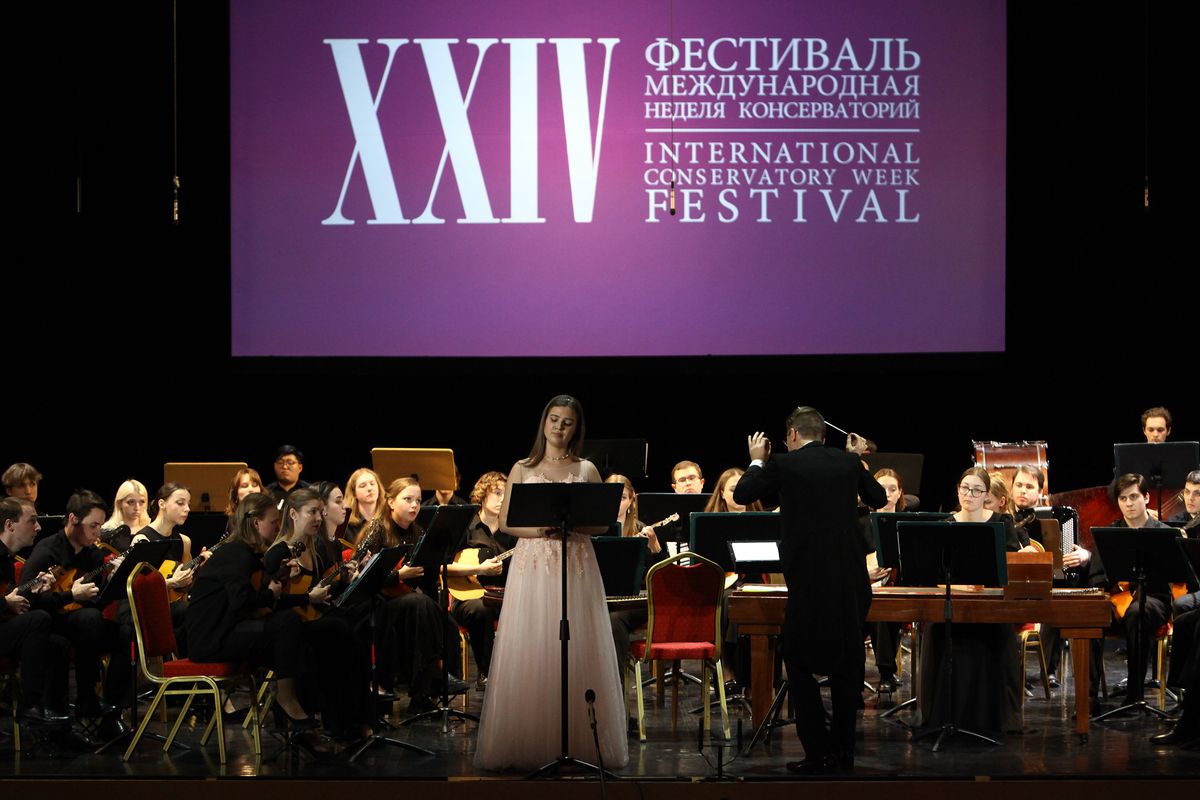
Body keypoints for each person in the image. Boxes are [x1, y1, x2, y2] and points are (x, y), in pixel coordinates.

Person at [475, 395, 629, 771]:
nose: (559, 427)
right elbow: (507, 521)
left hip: (575, 560)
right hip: (534, 562)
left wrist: (573, 525)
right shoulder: (522, 467)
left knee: (577, 642)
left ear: (577, 428)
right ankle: (530, 742)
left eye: (567, 422)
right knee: (535, 642)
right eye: (554, 419)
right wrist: (540, 530)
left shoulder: (585, 468)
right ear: (544, 422)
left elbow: (601, 523)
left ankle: (578, 742)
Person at [732, 406, 886, 774]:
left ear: (792, 435)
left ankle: (817, 751)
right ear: (824, 435)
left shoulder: (784, 463)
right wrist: (857, 460)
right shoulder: (848, 463)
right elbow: (879, 498)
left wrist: (756, 460)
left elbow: (742, 493)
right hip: (851, 582)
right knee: (848, 666)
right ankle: (843, 753)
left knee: (799, 663)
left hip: (808, 582)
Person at [184, 492, 325, 751]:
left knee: (301, 644)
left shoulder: (247, 554)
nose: (278, 527)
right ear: (256, 523)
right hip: (211, 640)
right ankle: (286, 701)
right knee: (286, 623)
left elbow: (258, 599)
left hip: (227, 632)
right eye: (273, 522)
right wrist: (271, 593)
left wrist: (281, 585)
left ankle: (301, 723)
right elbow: (243, 601)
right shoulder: (235, 554)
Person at [917, 467, 1024, 737]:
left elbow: (1009, 569)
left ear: (987, 494)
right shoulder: (945, 524)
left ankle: (992, 718)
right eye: (965, 488)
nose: (970, 495)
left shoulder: (1002, 523)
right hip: (954, 602)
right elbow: (931, 573)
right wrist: (956, 586)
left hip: (990, 605)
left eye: (977, 490)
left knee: (999, 631)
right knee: (937, 628)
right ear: (958, 490)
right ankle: (942, 715)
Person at [23, 490, 132, 739]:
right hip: (49, 621)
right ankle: (86, 696)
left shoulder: (93, 554)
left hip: (83, 625)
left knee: (124, 633)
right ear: (73, 519)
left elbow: (98, 602)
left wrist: (112, 583)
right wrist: (71, 595)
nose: (97, 533)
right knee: (89, 619)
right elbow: (28, 600)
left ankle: (112, 711)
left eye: (100, 526)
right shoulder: (48, 550)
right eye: (93, 526)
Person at [264, 488, 369, 739]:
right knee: (339, 630)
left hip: (312, 617)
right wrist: (305, 596)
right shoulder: (278, 552)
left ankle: (352, 719)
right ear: (293, 514)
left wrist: (344, 581)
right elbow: (270, 602)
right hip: (289, 626)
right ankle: (344, 720)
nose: (319, 518)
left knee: (356, 624)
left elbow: (321, 595)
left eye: (320, 513)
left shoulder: (313, 549)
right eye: (312, 512)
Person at [356, 476, 468, 713]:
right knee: (420, 604)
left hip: (408, 601)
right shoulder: (378, 528)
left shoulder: (418, 532)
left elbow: (427, 575)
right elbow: (362, 577)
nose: (414, 505)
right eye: (407, 499)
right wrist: (399, 575)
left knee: (441, 616)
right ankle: (436, 674)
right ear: (390, 502)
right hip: (379, 603)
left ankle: (425, 692)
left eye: (417, 500)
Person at [1092, 473, 1176, 703]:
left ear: (1146, 498)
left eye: (1134, 497)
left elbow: (1173, 578)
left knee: (1138, 611)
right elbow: (1096, 577)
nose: (1128, 503)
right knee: (1088, 615)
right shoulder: (1109, 534)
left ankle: (1134, 695)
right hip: (1116, 599)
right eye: (1123, 498)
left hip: (1153, 601)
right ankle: (1089, 698)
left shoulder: (1163, 533)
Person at [0, 497, 69, 726]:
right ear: (10, 525)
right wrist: (5, 603)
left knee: (58, 643)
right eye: (32, 521)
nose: (38, 527)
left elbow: (12, 600)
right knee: (39, 620)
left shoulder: (7, 559)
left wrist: (33, 590)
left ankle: (56, 716)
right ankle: (30, 706)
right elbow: (6, 602)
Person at [450, 471, 509, 690]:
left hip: (503, 597)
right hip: (467, 599)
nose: (502, 499)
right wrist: (479, 569)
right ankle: (487, 673)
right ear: (482, 495)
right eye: (497, 493)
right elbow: (443, 567)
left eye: (506, 494)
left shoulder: (512, 531)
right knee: (481, 609)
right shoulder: (466, 528)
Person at [868, 468, 905, 692]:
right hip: (863, 587)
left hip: (899, 589)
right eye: (882, 489)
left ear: (900, 493)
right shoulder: (861, 523)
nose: (888, 495)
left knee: (882, 609)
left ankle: (886, 673)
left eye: (893, 489)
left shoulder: (906, 524)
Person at [1168, 470, 1200, 614]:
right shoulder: (1175, 522)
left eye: (1197, 494)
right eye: (1187, 492)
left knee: (1182, 604)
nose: (1190, 498)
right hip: (1185, 585)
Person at [102, 479, 151, 552]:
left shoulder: (151, 529)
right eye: (131, 502)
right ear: (119, 503)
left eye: (142, 502)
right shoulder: (107, 532)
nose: (137, 507)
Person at [344, 467, 384, 541]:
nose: (369, 488)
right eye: (363, 486)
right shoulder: (345, 524)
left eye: (372, 484)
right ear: (354, 493)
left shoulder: (389, 517)